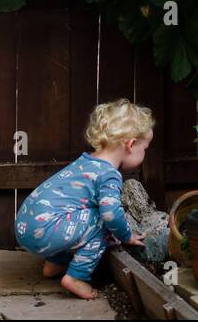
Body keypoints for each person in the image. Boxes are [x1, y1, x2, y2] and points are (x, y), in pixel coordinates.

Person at [13, 98, 154, 299]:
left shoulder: (85, 162)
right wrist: (126, 235)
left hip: (24, 227)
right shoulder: (109, 174)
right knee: (102, 222)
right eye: (145, 149)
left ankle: (55, 263)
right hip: (46, 230)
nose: (144, 154)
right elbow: (111, 214)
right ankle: (76, 277)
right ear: (131, 145)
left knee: (79, 219)